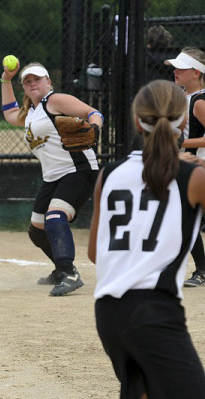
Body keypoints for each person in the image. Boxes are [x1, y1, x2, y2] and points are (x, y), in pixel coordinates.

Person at [88, 79, 205, 398]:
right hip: (155, 311)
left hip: (108, 313)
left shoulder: (109, 174)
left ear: (138, 121)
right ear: (184, 123)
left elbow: (95, 254)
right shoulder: (192, 176)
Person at [1, 61, 103, 296]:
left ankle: (70, 273)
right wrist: (6, 80)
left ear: (48, 82)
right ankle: (61, 268)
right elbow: (9, 113)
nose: (32, 83)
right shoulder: (31, 114)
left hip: (78, 169)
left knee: (55, 217)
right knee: (37, 230)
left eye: (37, 79)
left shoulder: (54, 101)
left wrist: (95, 128)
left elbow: (93, 113)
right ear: (24, 88)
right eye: (27, 81)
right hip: (53, 177)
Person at [165, 48, 205, 287]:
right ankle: (201, 269)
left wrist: (181, 142)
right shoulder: (183, 97)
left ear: (196, 72)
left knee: (186, 218)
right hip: (187, 167)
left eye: (181, 68)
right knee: (183, 218)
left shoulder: (199, 101)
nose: (176, 72)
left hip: (198, 166)